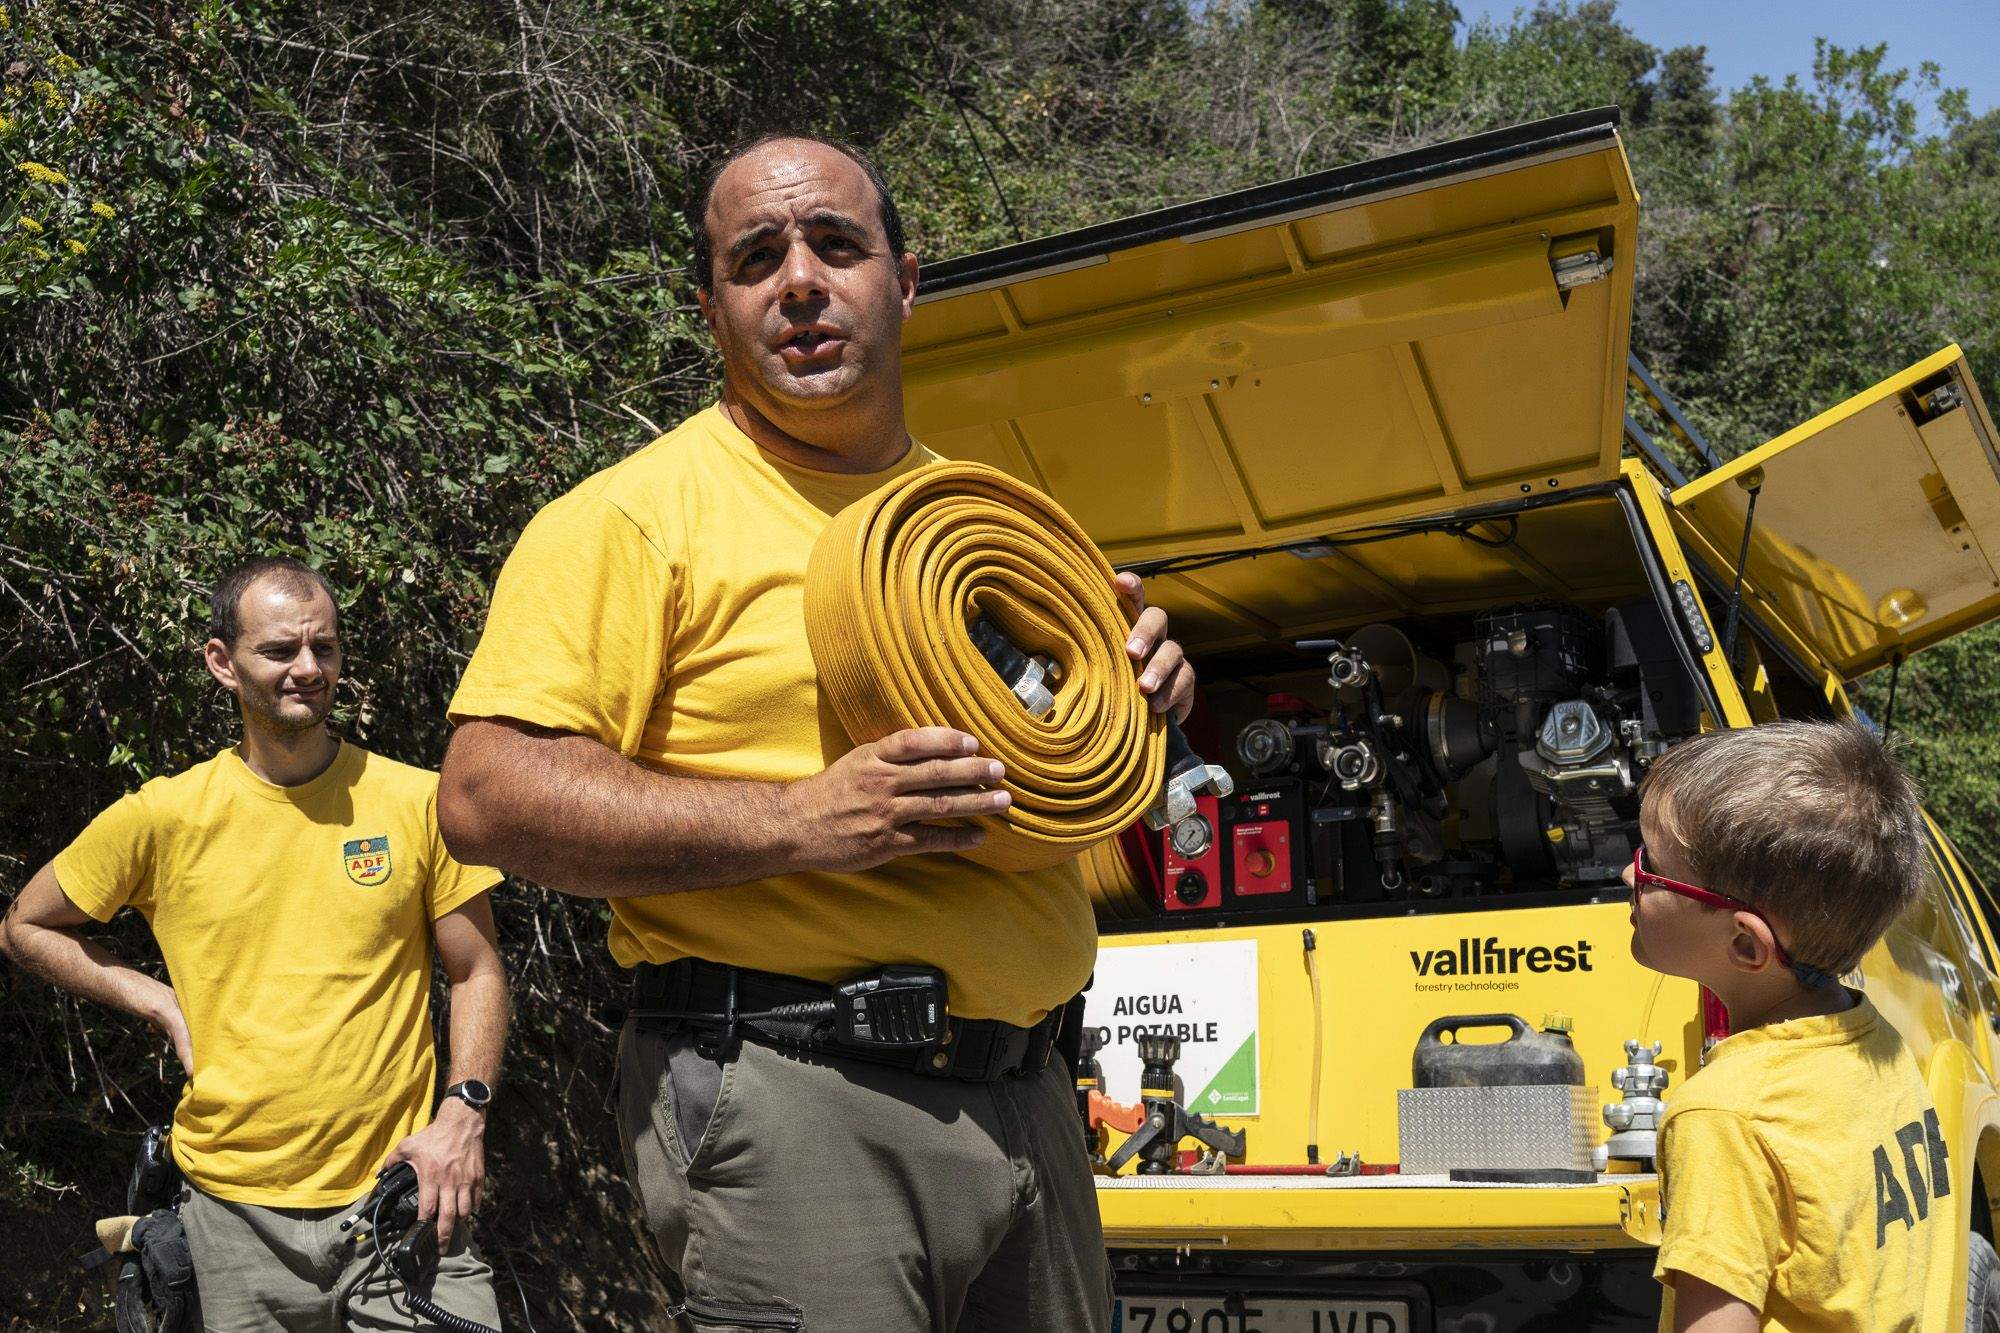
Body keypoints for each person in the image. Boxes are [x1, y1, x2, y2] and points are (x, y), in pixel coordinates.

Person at [436, 130, 1194, 1332]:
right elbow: (485, 794)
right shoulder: (635, 518)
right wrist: (803, 819)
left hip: (1033, 1099)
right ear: (712, 308)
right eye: (755, 258)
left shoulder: (982, 514)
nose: (799, 279)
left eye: (836, 244)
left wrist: (1137, 688)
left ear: (904, 280)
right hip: (799, 1097)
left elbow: (1072, 753)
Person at [0, 556, 509, 1331]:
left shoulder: (416, 800)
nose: (307, 668)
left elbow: (476, 969)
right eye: (280, 650)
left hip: (404, 1204)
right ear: (221, 662)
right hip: (233, 1221)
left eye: (325, 648)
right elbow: (24, 926)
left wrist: (463, 1113)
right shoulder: (164, 817)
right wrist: (155, 999)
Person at [1623, 720, 1949, 1331]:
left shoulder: (1724, 1117)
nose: (1628, 877)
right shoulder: (1874, 1039)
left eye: (1651, 867)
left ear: (1746, 944)